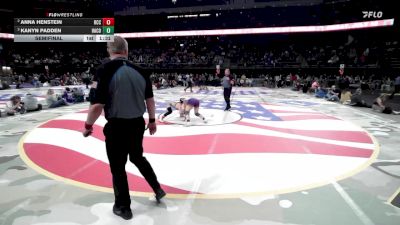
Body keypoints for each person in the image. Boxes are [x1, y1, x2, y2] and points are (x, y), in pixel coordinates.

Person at [82, 36, 165, 220]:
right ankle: (157, 188)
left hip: (117, 127)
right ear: (126, 51)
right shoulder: (141, 71)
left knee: (118, 168)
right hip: (137, 124)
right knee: (137, 157)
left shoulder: (103, 70)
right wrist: (152, 120)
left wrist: (88, 126)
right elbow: (150, 100)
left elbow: (96, 106)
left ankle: (123, 207)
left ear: (109, 50)